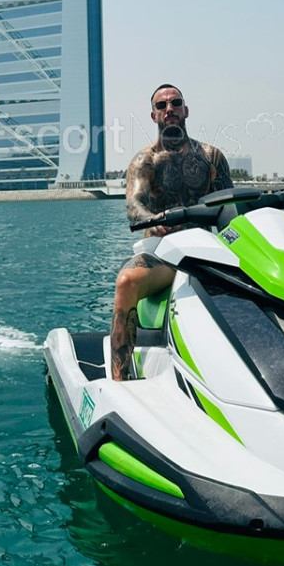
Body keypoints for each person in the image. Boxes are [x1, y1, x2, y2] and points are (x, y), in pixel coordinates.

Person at [110, 83, 232, 381]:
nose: (169, 109)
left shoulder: (212, 157)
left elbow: (230, 208)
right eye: (161, 105)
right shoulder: (145, 161)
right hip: (162, 254)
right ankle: (119, 380)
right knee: (126, 282)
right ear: (153, 115)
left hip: (205, 251)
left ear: (185, 110)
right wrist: (151, 219)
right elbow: (134, 205)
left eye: (175, 103)